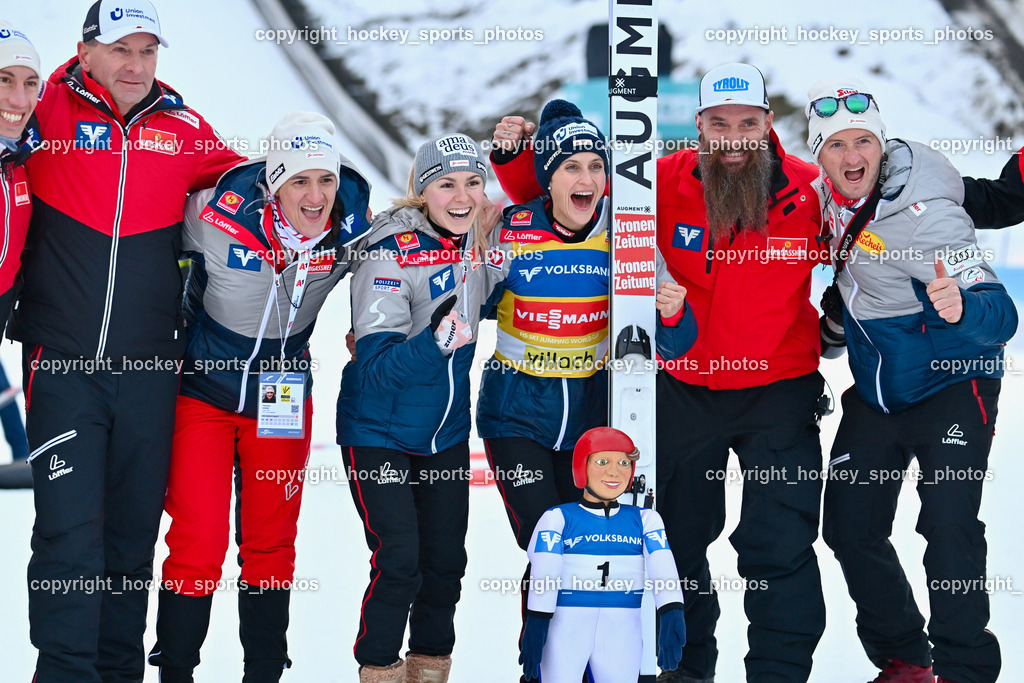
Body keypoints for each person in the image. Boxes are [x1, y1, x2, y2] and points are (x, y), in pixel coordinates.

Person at [491, 64, 829, 683]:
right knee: (676, 543)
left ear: (768, 126)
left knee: (777, 544)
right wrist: (515, 161)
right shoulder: (657, 183)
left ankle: (780, 674)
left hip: (777, 388)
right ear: (698, 126)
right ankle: (685, 670)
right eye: (718, 124)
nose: (733, 138)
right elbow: (568, 203)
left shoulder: (811, 191)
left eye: (747, 124)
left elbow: (874, 237)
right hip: (683, 391)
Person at [10, 2, 242, 680]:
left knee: (131, 538)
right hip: (62, 362)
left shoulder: (185, 128)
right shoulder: (44, 108)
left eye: (147, 51)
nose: (136, 65)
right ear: (86, 52)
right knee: (68, 536)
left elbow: (265, 189)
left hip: (150, 369)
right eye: (120, 50)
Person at [145, 112, 372, 682]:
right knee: (197, 538)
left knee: (272, 539)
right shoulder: (213, 216)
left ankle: (265, 671)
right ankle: (175, 670)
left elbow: (425, 243)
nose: (316, 196)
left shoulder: (355, 229)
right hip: (204, 391)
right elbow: (140, 229)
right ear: (273, 184)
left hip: (283, 395)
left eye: (326, 178)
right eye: (298, 180)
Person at [806, 78, 1017, 683]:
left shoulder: (932, 213)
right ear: (820, 156)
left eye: (863, 141)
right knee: (849, 526)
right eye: (837, 145)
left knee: (948, 526)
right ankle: (905, 659)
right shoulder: (823, 201)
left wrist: (964, 307)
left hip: (954, 384)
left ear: (881, 143)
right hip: (878, 390)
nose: (852, 156)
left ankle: (964, 668)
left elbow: (1002, 317)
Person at [479, 99, 695, 677]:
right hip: (515, 417)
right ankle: (542, 666)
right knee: (551, 544)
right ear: (546, 178)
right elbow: (456, 293)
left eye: (596, 166)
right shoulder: (511, 228)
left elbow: (676, 344)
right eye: (571, 167)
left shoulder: (625, 237)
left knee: (597, 548)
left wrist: (672, 315)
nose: (587, 179)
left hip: (592, 423)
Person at [336, 133, 498, 683]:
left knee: (446, 564)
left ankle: (430, 671)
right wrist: (433, 342)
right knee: (400, 562)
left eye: (473, 182)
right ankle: (378, 669)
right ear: (421, 191)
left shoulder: (476, 245)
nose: (462, 195)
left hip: (444, 435)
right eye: (446, 184)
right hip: (378, 431)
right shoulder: (389, 251)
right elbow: (375, 370)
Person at [521, 426, 686, 682]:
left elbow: (662, 563)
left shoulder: (646, 520)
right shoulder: (558, 518)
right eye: (602, 461)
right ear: (581, 468)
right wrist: (538, 619)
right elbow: (545, 570)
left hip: (622, 630)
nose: (614, 471)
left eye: (623, 463)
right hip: (566, 628)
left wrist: (671, 610)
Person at [0, 20, 39, 490]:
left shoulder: (19, 163)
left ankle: (21, 449)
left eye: (30, 83)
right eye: (4, 80)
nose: (20, 99)